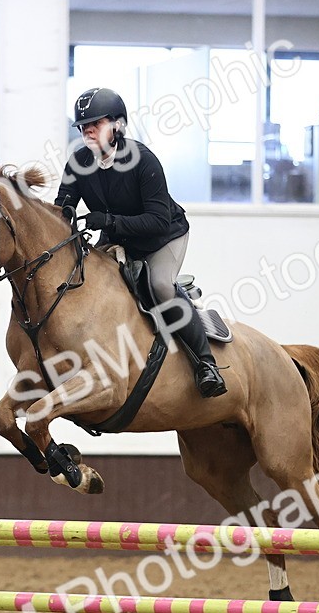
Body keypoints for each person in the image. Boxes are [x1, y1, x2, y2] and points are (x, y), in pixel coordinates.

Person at [54, 87, 227, 399]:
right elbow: (63, 206)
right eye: (83, 126)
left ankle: (206, 363)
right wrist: (63, 216)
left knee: (160, 285)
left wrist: (108, 222)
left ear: (118, 125)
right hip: (118, 237)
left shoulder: (144, 161)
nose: (88, 131)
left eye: (96, 124)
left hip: (161, 237)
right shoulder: (79, 161)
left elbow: (158, 219)